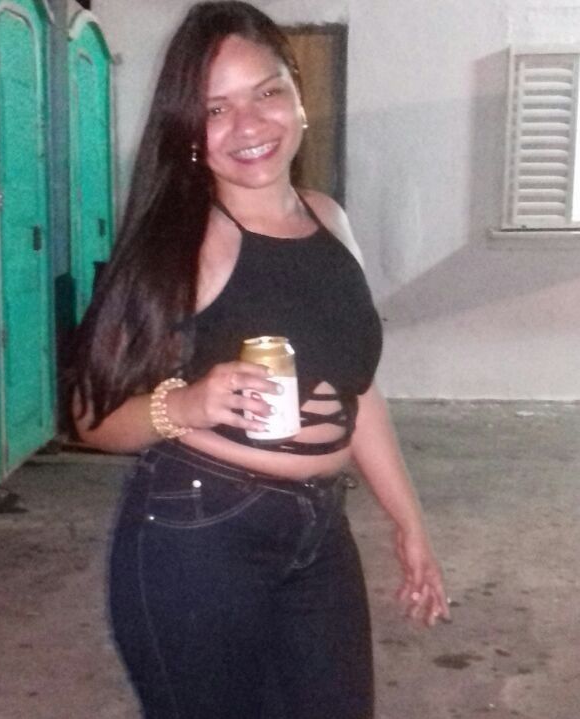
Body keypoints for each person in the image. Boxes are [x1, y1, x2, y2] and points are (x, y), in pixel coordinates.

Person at [72, 2, 450, 717]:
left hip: (319, 528)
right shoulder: (184, 243)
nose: (248, 126)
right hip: (199, 535)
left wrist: (409, 522)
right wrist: (186, 403)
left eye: (267, 92)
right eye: (215, 109)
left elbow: (357, 388)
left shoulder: (328, 218)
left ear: (298, 98)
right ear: (189, 130)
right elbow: (90, 416)